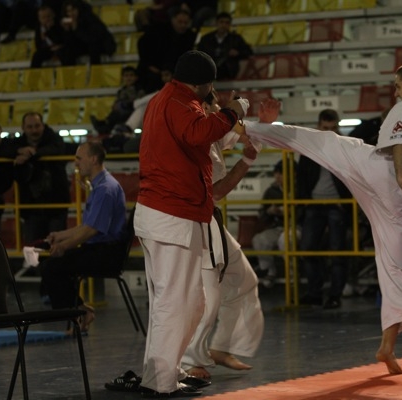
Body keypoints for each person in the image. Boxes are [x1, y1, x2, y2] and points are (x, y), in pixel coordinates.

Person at [243, 61, 402, 374]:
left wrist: (401, 175)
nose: (396, 93)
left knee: (325, 143)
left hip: (386, 174)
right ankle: (388, 346)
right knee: (396, 268)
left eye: (398, 86)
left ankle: (245, 128)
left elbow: (400, 140)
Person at [132, 50, 247, 397]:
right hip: (172, 213)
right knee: (176, 302)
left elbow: (199, 135)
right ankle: (161, 381)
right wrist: (233, 112)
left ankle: (163, 372)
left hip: (168, 213)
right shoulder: (179, 102)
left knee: (188, 301)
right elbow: (198, 133)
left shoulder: (167, 99)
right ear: (204, 84)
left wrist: (230, 122)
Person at [181, 89, 271, 380]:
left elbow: (241, 132)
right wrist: (247, 161)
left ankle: (222, 346)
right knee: (207, 294)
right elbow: (217, 191)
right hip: (193, 221)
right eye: (217, 106)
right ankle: (189, 360)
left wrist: (264, 124)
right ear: (204, 108)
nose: (222, 111)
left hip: (209, 219)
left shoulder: (213, 133)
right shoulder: (198, 138)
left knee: (243, 280)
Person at [39, 141, 127, 331]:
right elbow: (87, 226)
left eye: (79, 158)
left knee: (51, 268)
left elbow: (91, 230)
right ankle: (78, 310)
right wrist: (60, 236)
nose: (76, 163)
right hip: (102, 249)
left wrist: (64, 246)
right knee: (53, 266)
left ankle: (78, 312)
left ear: (93, 159)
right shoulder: (101, 186)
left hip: (107, 253)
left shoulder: (104, 189)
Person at [297, 109, 352, 310]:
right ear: (319, 126)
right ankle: (316, 293)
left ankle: (333, 295)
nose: (330, 131)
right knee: (308, 249)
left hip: (336, 204)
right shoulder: (311, 147)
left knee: (338, 252)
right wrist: (305, 202)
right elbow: (301, 177)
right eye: (326, 128)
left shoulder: (345, 146)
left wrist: (345, 201)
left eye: (333, 128)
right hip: (315, 204)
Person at [7, 112, 70, 245]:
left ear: (43, 125)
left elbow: (56, 148)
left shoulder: (54, 139)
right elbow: (3, 149)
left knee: (57, 248)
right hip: (30, 207)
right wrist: (19, 151)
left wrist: (31, 154)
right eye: (30, 127)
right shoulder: (17, 144)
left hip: (56, 205)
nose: (34, 130)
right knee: (33, 249)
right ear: (23, 127)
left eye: (37, 126)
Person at [136, 8, 196, 93]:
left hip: (174, 72)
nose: (183, 25)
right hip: (152, 70)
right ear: (173, 20)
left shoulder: (190, 36)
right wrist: (150, 65)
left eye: (185, 23)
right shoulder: (158, 29)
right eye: (180, 22)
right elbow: (142, 43)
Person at [251, 160, 285, 287]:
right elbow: (262, 214)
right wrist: (269, 211)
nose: (277, 176)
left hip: (296, 227)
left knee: (285, 241)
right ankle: (269, 270)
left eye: (281, 173)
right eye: (276, 173)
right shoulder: (271, 191)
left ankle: (292, 274)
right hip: (277, 227)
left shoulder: (300, 190)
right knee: (259, 239)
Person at [197, 12, 253, 81]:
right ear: (216, 23)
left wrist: (238, 53)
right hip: (209, 69)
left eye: (227, 23)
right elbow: (199, 54)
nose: (224, 25)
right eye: (221, 22)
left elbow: (249, 52)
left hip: (228, 70)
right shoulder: (206, 39)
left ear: (230, 25)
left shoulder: (236, 39)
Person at [90, 66, 146, 135]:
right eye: (126, 76)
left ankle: (105, 124)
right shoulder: (121, 90)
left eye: (131, 75)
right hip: (121, 112)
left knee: (118, 112)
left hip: (131, 111)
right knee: (116, 112)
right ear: (122, 78)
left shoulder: (139, 89)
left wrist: (124, 104)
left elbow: (138, 102)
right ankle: (105, 124)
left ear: (136, 77)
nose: (129, 78)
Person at [60, 0, 116, 65]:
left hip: (101, 44)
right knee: (66, 51)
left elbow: (92, 38)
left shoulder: (90, 18)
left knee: (93, 48)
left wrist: (77, 29)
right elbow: (70, 43)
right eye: (68, 11)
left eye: (73, 10)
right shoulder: (69, 22)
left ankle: (95, 70)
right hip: (84, 45)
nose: (71, 14)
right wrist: (67, 31)